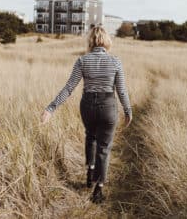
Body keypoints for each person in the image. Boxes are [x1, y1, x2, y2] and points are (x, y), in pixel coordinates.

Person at [41, 26, 133, 204]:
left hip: (87, 106)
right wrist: (128, 111)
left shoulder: (82, 60)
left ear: (90, 41)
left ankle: (90, 170)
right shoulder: (115, 62)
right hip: (108, 106)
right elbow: (121, 91)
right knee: (104, 148)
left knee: (90, 136)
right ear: (107, 41)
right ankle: (98, 190)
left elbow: (69, 87)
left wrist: (51, 108)